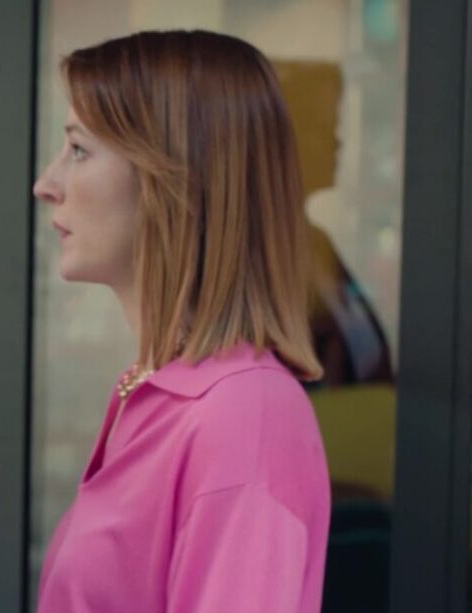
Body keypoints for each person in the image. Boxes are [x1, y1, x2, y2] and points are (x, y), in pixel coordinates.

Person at [32, 31, 330, 612]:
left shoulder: (244, 417)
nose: (47, 185)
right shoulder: (156, 391)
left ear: (175, 178)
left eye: (79, 151)